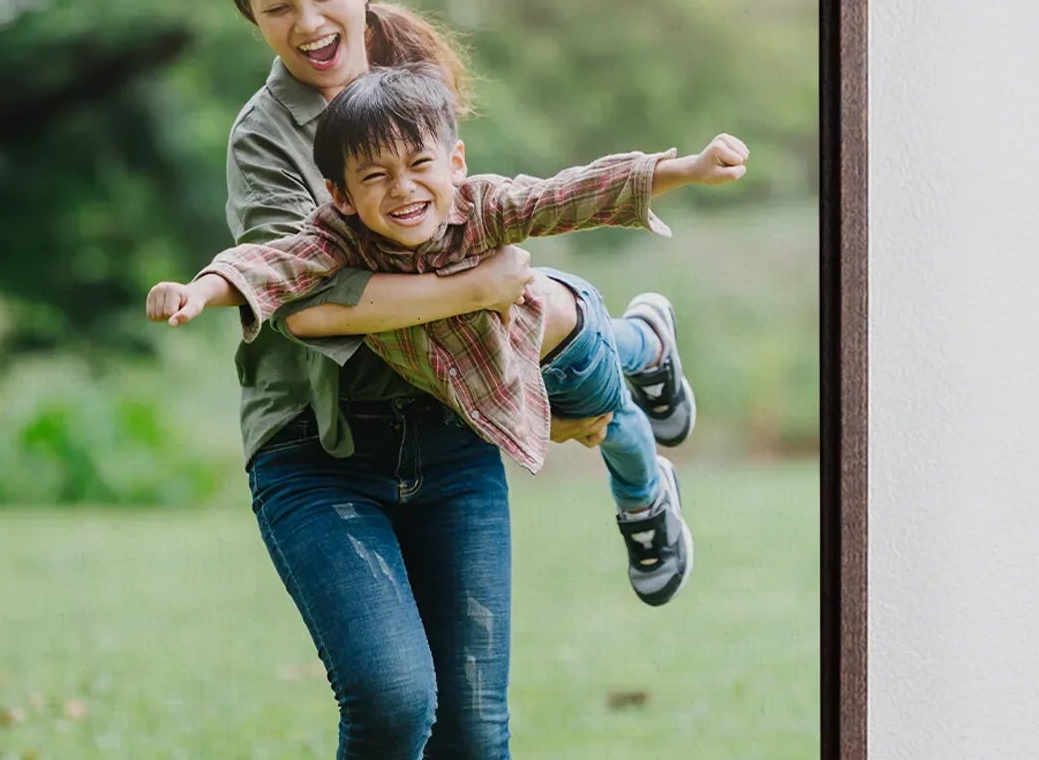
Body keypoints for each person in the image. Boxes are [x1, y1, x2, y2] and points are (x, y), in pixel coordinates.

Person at [196, 0, 571, 760]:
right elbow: (314, 295)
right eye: (275, 7)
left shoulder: (413, 79)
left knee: (475, 739)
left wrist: (500, 289)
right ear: (251, 18)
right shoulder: (262, 140)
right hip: (321, 456)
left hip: (449, 441)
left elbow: (479, 215)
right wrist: (473, 291)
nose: (307, 23)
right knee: (394, 699)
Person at [148, 67, 748, 603]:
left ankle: (646, 498)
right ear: (341, 194)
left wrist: (686, 169)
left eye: (419, 165)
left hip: (559, 345)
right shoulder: (337, 240)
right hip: (507, 361)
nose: (403, 189)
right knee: (619, 359)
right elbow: (270, 264)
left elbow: (571, 193)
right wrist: (198, 290)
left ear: (455, 162)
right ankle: (649, 338)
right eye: (376, 176)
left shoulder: (483, 206)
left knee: (613, 423)